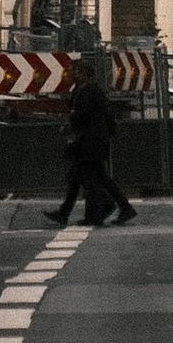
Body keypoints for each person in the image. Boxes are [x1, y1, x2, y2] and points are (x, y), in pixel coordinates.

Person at [49, 66, 137, 228]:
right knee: (84, 177)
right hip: (92, 139)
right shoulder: (88, 90)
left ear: (83, 73)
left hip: (90, 141)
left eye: (75, 71)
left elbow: (84, 115)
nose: (71, 75)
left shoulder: (88, 91)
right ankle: (120, 207)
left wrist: (71, 121)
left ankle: (95, 213)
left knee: (87, 179)